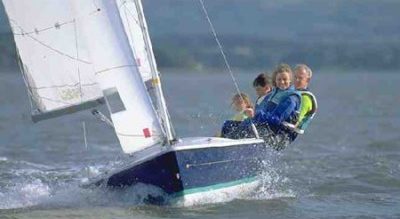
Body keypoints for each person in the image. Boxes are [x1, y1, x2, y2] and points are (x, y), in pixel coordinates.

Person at [250, 63, 302, 142]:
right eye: (279, 79)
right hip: (267, 128)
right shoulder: (273, 94)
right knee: (229, 125)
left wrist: (259, 115)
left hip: (281, 136)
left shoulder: (291, 99)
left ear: (290, 80)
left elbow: (277, 119)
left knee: (245, 127)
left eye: (285, 79)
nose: (282, 82)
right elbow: (262, 110)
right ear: (275, 80)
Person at [291, 64, 317, 133]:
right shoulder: (292, 93)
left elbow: (297, 120)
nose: (297, 80)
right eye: (295, 77)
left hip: (287, 132)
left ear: (307, 80)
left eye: (300, 78)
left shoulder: (306, 98)